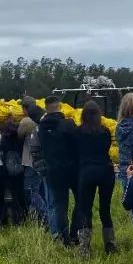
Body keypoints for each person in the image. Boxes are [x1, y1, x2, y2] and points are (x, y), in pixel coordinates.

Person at [72, 100, 118, 257]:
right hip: (105, 170)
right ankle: (110, 244)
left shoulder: (77, 132)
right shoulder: (105, 132)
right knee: (105, 209)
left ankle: (84, 247)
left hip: (86, 171)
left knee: (85, 209)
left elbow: (75, 153)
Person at [37, 95, 79, 245]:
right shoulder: (69, 124)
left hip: (53, 170)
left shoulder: (41, 128)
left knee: (60, 205)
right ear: (60, 106)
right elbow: (77, 143)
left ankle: (63, 236)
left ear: (46, 109)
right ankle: (75, 233)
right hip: (72, 170)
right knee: (80, 203)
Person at [18, 100, 48, 225]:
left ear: (25, 109)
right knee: (41, 191)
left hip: (31, 163)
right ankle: (40, 217)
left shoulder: (26, 121)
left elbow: (19, 135)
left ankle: (46, 215)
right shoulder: (44, 121)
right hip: (43, 163)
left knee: (30, 191)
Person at [0, 118, 27, 225]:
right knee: (20, 195)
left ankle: (6, 219)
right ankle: (22, 217)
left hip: (7, 172)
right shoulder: (20, 139)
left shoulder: (3, 140)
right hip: (20, 171)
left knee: (8, 198)